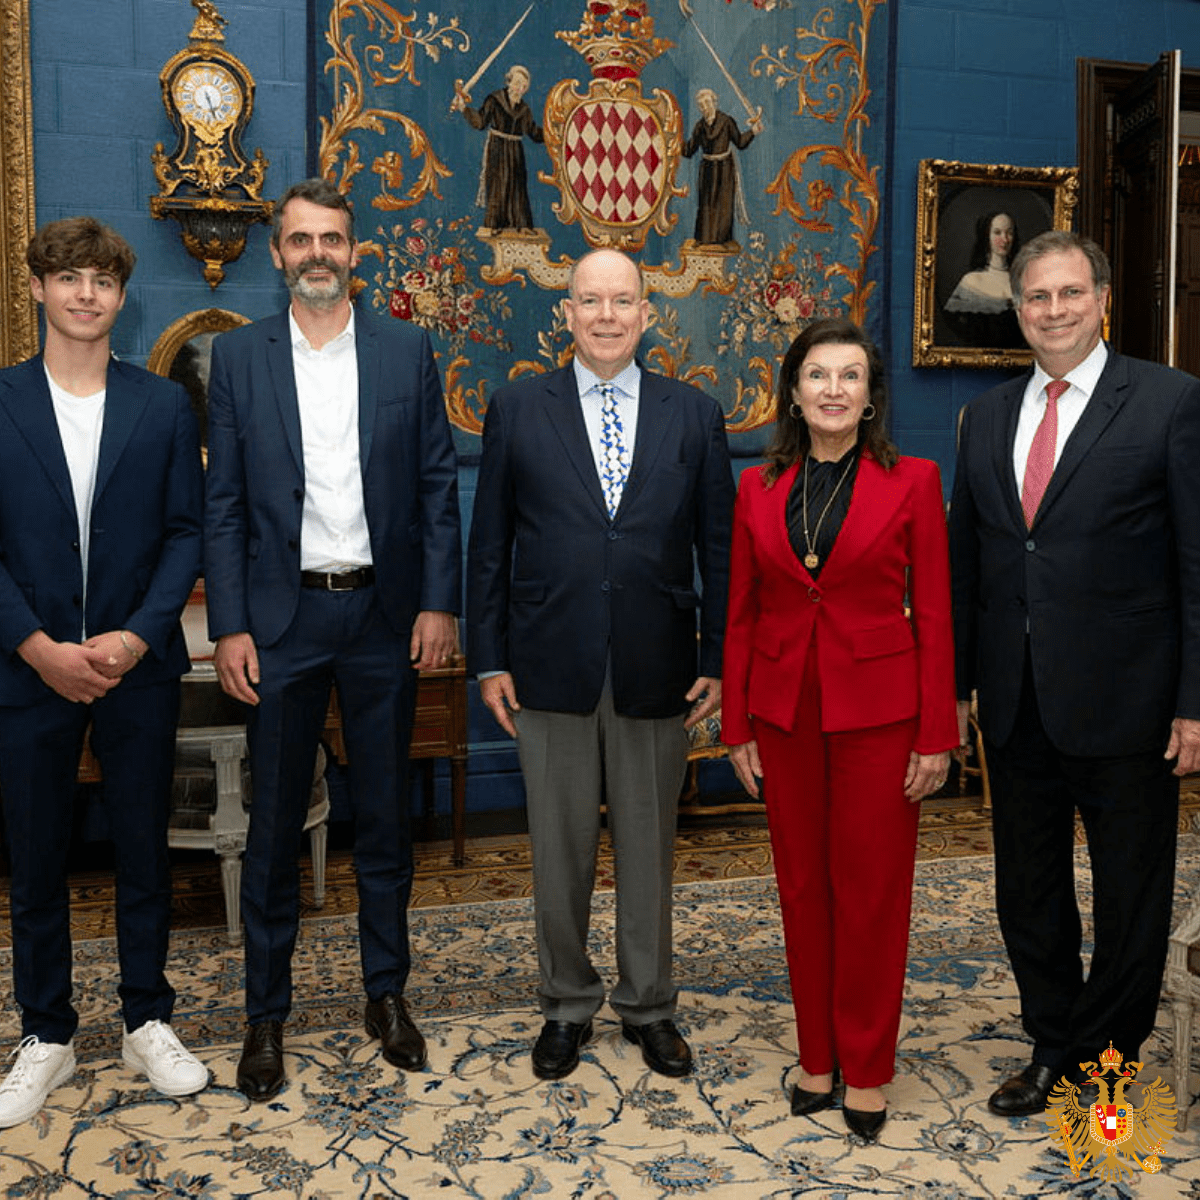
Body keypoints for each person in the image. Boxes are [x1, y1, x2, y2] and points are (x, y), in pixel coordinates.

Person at [204, 178, 461, 1102]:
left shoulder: (405, 350)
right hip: (282, 625)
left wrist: (439, 603)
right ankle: (263, 1016)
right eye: (301, 240)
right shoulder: (237, 361)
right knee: (273, 827)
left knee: (386, 821)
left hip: (384, 621)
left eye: (334, 240)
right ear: (276, 254)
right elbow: (223, 506)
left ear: (356, 253)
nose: (318, 253)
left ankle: (385, 995)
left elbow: (437, 487)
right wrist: (230, 621)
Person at [948, 230, 1200, 1118]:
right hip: (1016, 704)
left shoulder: (1170, 403)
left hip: (1131, 702)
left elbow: (1197, 562)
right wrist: (958, 691)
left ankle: (1108, 1063)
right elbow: (969, 566)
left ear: (1101, 299)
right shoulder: (982, 419)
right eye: (1036, 298)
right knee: (1029, 892)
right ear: (1017, 311)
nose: (1053, 310)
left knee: (1132, 897)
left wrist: (1195, 703)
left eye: (1069, 293)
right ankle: (1052, 1043)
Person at [467, 247, 733, 1082]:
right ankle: (566, 1004)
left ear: (648, 314)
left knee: (650, 847)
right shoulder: (517, 408)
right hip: (548, 661)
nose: (607, 316)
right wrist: (488, 659)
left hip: (660, 662)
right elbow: (489, 549)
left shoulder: (694, 414)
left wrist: (720, 655)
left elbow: (719, 550)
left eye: (623, 301)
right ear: (568, 314)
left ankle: (650, 1005)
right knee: (560, 849)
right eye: (591, 301)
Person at [722, 316, 957, 1142]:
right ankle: (815, 1056)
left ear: (869, 395)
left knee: (872, 894)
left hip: (882, 717)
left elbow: (934, 612)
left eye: (849, 376)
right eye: (816, 375)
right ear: (793, 391)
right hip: (784, 715)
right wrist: (736, 725)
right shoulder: (756, 487)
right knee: (801, 888)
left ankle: (867, 1066)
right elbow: (743, 612)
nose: (832, 389)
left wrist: (936, 734)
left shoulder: (915, 481)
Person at [0, 217, 208, 1126]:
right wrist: (37, 646)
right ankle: (44, 1031)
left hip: (137, 668)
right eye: (69, 277)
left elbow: (186, 535)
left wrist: (134, 636)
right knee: (36, 856)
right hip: (26, 670)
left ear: (122, 299)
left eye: (103, 281)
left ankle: (146, 1017)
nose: (86, 294)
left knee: (141, 850)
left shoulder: (162, 406)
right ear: (39, 288)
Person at [452, 65, 544, 234]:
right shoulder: (494, 100)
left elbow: (533, 132)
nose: (520, 88)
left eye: (524, 86)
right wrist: (464, 108)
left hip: (516, 151)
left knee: (518, 186)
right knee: (498, 185)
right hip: (498, 148)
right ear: (509, 82)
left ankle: (522, 226)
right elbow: (480, 122)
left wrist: (552, 133)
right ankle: (495, 225)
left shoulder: (524, 109)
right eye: (517, 83)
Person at [681, 88, 762, 247]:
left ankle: (723, 239)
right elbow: (689, 150)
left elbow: (740, 142)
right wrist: (675, 141)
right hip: (707, 168)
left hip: (725, 167)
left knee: (724, 204)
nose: (704, 107)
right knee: (706, 204)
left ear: (714, 103)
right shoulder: (700, 126)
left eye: (707, 103)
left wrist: (753, 131)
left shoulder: (726, 121)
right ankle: (703, 239)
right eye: (701, 105)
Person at [943, 212, 1024, 349]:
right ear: (987, 236)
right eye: (997, 233)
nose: (1004, 239)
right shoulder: (971, 281)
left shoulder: (1023, 281)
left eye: (1009, 233)